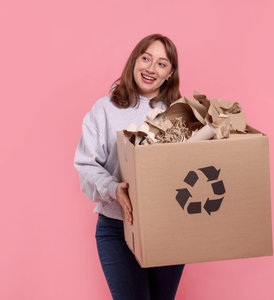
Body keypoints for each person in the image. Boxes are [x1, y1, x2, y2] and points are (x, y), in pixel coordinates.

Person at [74, 34, 184, 300]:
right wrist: (115, 189)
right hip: (117, 228)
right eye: (146, 58)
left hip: (167, 228)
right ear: (134, 60)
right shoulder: (104, 109)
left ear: (170, 73)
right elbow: (87, 165)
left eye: (161, 63)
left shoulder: (180, 112)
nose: (150, 68)